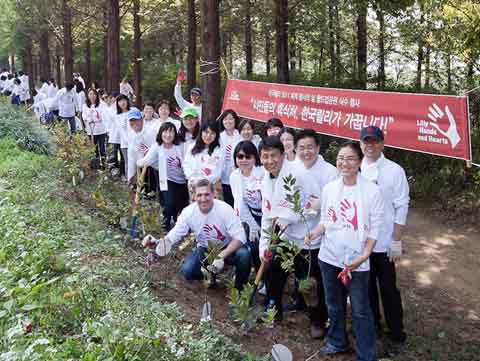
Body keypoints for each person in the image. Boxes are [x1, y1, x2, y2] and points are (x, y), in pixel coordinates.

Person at [306, 141, 384, 361]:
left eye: (350, 158)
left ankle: (366, 355)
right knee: (334, 304)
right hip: (329, 257)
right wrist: (315, 232)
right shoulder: (330, 188)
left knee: (360, 309)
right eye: (341, 158)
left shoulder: (371, 190)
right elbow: (326, 220)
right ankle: (337, 341)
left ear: (359, 162)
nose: (344, 163)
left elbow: (375, 228)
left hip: (357, 261)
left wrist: (365, 255)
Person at [258, 136, 329, 339]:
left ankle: (318, 320)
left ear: (283, 155)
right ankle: (274, 310)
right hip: (284, 237)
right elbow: (267, 213)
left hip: (308, 238)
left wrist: (290, 217)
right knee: (272, 273)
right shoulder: (266, 177)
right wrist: (264, 244)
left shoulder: (300, 174)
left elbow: (317, 206)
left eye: (273, 156)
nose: (269, 160)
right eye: (265, 156)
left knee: (309, 283)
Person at [146, 179, 251, 290]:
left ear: (214, 194)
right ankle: (211, 276)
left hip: (227, 247)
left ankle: (240, 290)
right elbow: (175, 234)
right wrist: (158, 243)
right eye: (199, 195)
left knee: (244, 255)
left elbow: (241, 237)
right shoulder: (188, 212)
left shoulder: (224, 209)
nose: (203, 199)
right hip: (205, 248)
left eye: (207, 194)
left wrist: (221, 256)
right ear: (194, 196)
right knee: (188, 271)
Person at [359, 126, 409, 347]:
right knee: (366, 287)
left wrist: (396, 239)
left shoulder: (394, 170)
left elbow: (402, 205)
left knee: (388, 288)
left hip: (385, 241)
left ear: (382, 143)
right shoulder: (355, 166)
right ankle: (374, 327)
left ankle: (397, 332)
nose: (370, 145)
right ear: (361, 143)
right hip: (361, 242)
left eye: (374, 141)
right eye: (366, 141)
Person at [137, 122, 189, 231]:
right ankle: (166, 224)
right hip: (167, 179)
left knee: (181, 205)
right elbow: (148, 159)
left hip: (183, 180)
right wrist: (139, 162)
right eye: (165, 132)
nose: (168, 135)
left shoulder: (181, 145)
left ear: (175, 134)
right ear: (161, 133)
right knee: (168, 202)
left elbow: (188, 161)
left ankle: (179, 223)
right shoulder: (157, 146)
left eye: (171, 132)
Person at [230, 141, 264, 272]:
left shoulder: (263, 173)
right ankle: (258, 274)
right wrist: (252, 224)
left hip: (267, 215)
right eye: (240, 157)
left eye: (248, 157)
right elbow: (239, 202)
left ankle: (268, 278)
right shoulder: (234, 176)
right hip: (249, 215)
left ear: (255, 157)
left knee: (267, 247)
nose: (244, 160)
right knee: (254, 246)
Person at [183, 121, 224, 192]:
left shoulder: (219, 151)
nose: (208, 136)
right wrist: (193, 178)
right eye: (206, 132)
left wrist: (203, 182)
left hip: (211, 187)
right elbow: (186, 165)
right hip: (194, 185)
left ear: (216, 135)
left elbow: (218, 171)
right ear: (201, 132)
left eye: (212, 133)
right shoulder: (192, 147)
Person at [125, 107, 157, 185]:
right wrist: (130, 175)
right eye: (131, 121)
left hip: (151, 167)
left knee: (150, 189)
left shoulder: (150, 133)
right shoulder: (131, 135)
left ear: (141, 120)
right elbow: (131, 156)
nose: (134, 123)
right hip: (139, 167)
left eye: (136, 120)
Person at [218, 109, 242, 207]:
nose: (228, 121)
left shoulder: (240, 134)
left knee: (239, 201)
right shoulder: (219, 136)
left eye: (231, 119)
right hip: (224, 175)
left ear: (235, 120)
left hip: (239, 173)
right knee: (228, 202)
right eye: (225, 119)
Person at [82, 88, 109, 166]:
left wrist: (96, 118)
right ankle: (96, 165)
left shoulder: (102, 104)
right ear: (88, 95)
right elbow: (84, 116)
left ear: (96, 95)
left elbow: (103, 115)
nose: (92, 96)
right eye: (90, 94)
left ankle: (103, 165)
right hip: (91, 130)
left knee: (102, 148)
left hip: (101, 130)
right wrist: (88, 120)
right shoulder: (85, 105)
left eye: (94, 94)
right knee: (94, 149)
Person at [108, 94, 130, 179]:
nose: (123, 103)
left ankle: (123, 174)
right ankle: (114, 173)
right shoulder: (114, 114)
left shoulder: (131, 112)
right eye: (120, 101)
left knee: (124, 158)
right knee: (113, 156)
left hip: (126, 140)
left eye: (124, 100)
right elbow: (108, 113)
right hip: (115, 137)